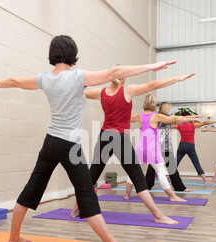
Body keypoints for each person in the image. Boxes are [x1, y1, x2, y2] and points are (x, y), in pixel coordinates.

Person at [0, 35, 178, 242]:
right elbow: (113, 73)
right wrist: (152, 65)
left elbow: (14, 81)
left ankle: (14, 238)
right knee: (87, 194)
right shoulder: (78, 77)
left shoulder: (45, 78)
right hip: (70, 145)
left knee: (32, 187)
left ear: (53, 53)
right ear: (72, 52)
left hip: (50, 141)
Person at [70, 71, 196, 225]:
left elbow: (81, 93)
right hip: (120, 138)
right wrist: (177, 77)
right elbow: (152, 85)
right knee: (138, 177)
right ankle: (158, 215)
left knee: (92, 175)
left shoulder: (101, 92)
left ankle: (75, 209)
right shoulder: (126, 91)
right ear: (122, 78)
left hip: (104, 136)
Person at [125, 95, 202, 201]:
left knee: (134, 171)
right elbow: (174, 118)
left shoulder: (139, 116)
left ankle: (127, 195)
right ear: (153, 104)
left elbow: (125, 118)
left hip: (140, 149)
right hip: (152, 150)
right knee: (161, 171)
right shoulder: (156, 116)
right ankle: (172, 196)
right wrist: (192, 118)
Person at [145, 102, 206, 192]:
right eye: (168, 107)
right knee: (170, 167)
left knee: (152, 166)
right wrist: (195, 117)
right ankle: (179, 187)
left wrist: (195, 117)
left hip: (159, 144)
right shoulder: (160, 117)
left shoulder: (163, 116)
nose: (170, 109)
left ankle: (147, 185)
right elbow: (179, 118)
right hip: (163, 145)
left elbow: (180, 118)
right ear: (165, 108)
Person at [173, 111, 216, 184]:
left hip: (182, 145)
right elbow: (205, 123)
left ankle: (167, 179)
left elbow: (167, 126)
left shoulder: (178, 126)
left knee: (175, 163)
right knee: (196, 163)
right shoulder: (193, 125)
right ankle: (205, 180)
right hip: (190, 146)